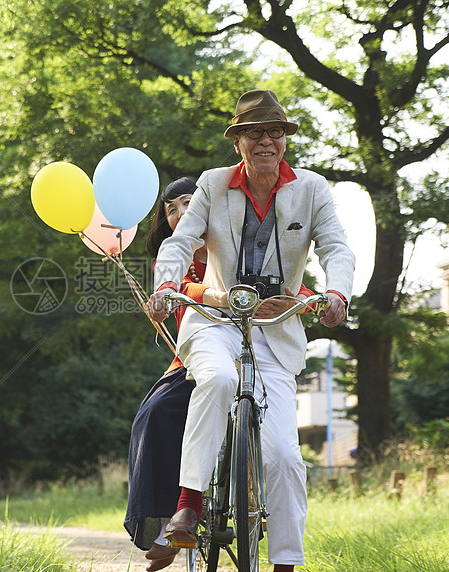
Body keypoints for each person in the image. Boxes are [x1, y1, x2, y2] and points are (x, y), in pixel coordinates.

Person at [145, 89, 355, 572]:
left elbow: (338, 250)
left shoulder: (312, 188)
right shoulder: (214, 184)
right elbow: (179, 244)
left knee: (283, 455)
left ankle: (284, 563)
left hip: (278, 328)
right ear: (238, 140)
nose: (267, 141)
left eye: (275, 132)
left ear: (285, 139)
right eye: (255, 132)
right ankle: (189, 505)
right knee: (216, 380)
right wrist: (166, 285)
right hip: (215, 321)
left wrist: (336, 295)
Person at [127, 176, 315, 572]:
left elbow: (285, 281)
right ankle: (168, 523)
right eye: (171, 209)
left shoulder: (232, 235)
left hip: (257, 346)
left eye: (187, 204)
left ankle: (257, 506)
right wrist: (203, 295)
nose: (180, 214)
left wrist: (311, 299)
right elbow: (185, 286)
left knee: (283, 451)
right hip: (197, 356)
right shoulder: (176, 252)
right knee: (156, 414)